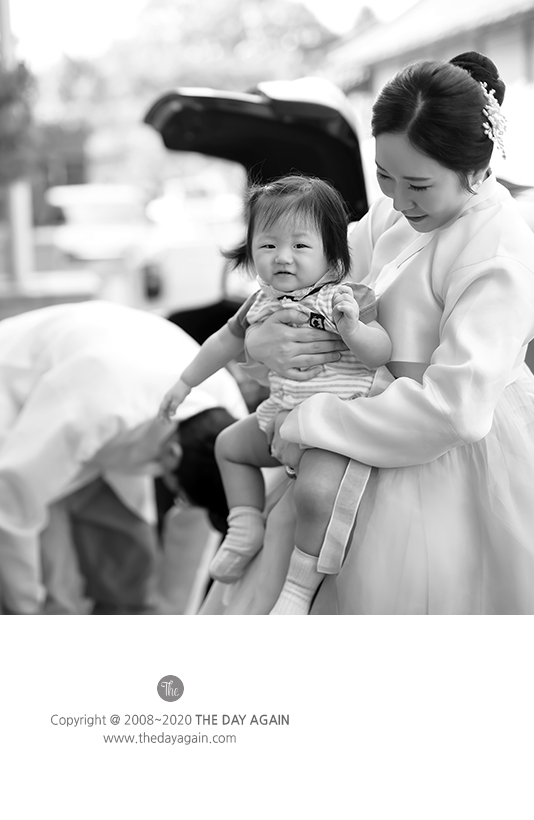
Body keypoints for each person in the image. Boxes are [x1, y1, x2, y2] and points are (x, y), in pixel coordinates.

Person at [200, 51, 534, 615]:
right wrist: (262, 340)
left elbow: (454, 412)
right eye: (384, 176)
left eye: (417, 183)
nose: (396, 199)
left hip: (448, 458)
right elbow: (315, 277)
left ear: (475, 169)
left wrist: (313, 421)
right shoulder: (400, 214)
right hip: (359, 422)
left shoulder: (504, 257)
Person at [159, 175, 391, 615]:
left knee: (314, 495)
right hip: (282, 414)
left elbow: (381, 351)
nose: (282, 257)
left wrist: (354, 330)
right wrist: (186, 382)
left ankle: (299, 587)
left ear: (332, 253)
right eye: (268, 245)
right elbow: (223, 342)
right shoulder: (260, 302)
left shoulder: (344, 299)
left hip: (333, 424)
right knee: (228, 446)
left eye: (300, 245)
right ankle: (244, 525)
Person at [0, 299, 246, 615]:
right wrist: (25, 609)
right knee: (53, 582)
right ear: (172, 454)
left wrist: (177, 620)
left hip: (120, 392)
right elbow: (9, 500)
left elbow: (194, 532)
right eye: (178, 493)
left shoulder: (233, 425)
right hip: (20, 378)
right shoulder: (89, 410)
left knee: (131, 566)